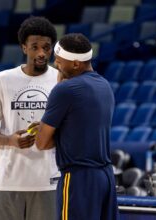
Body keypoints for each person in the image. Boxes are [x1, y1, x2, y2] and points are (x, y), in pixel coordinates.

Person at [34, 33, 119, 220]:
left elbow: (41, 143)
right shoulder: (104, 85)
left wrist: (57, 88)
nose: (56, 64)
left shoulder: (65, 90)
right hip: (105, 177)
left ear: (75, 64)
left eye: (59, 60)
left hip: (79, 178)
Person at [0, 16, 58, 220]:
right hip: (7, 181)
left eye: (46, 47)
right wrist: (9, 140)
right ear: (24, 48)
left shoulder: (61, 80)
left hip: (48, 181)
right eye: (35, 47)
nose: (41, 53)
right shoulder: (3, 79)